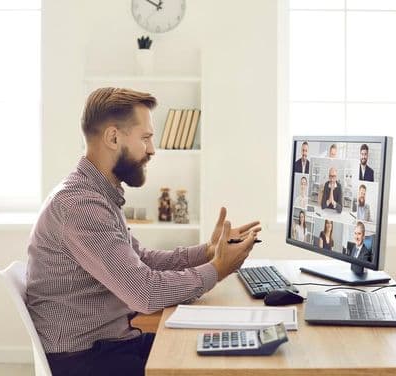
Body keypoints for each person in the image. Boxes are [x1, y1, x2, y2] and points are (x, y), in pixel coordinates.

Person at [26, 87, 261, 376]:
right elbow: (145, 293)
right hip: (86, 359)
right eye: (146, 138)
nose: (152, 149)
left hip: (110, 345)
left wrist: (208, 253)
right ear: (113, 137)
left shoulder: (96, 195)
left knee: (210, 352)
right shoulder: (80, 205)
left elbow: (143, 260)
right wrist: (217, 269)